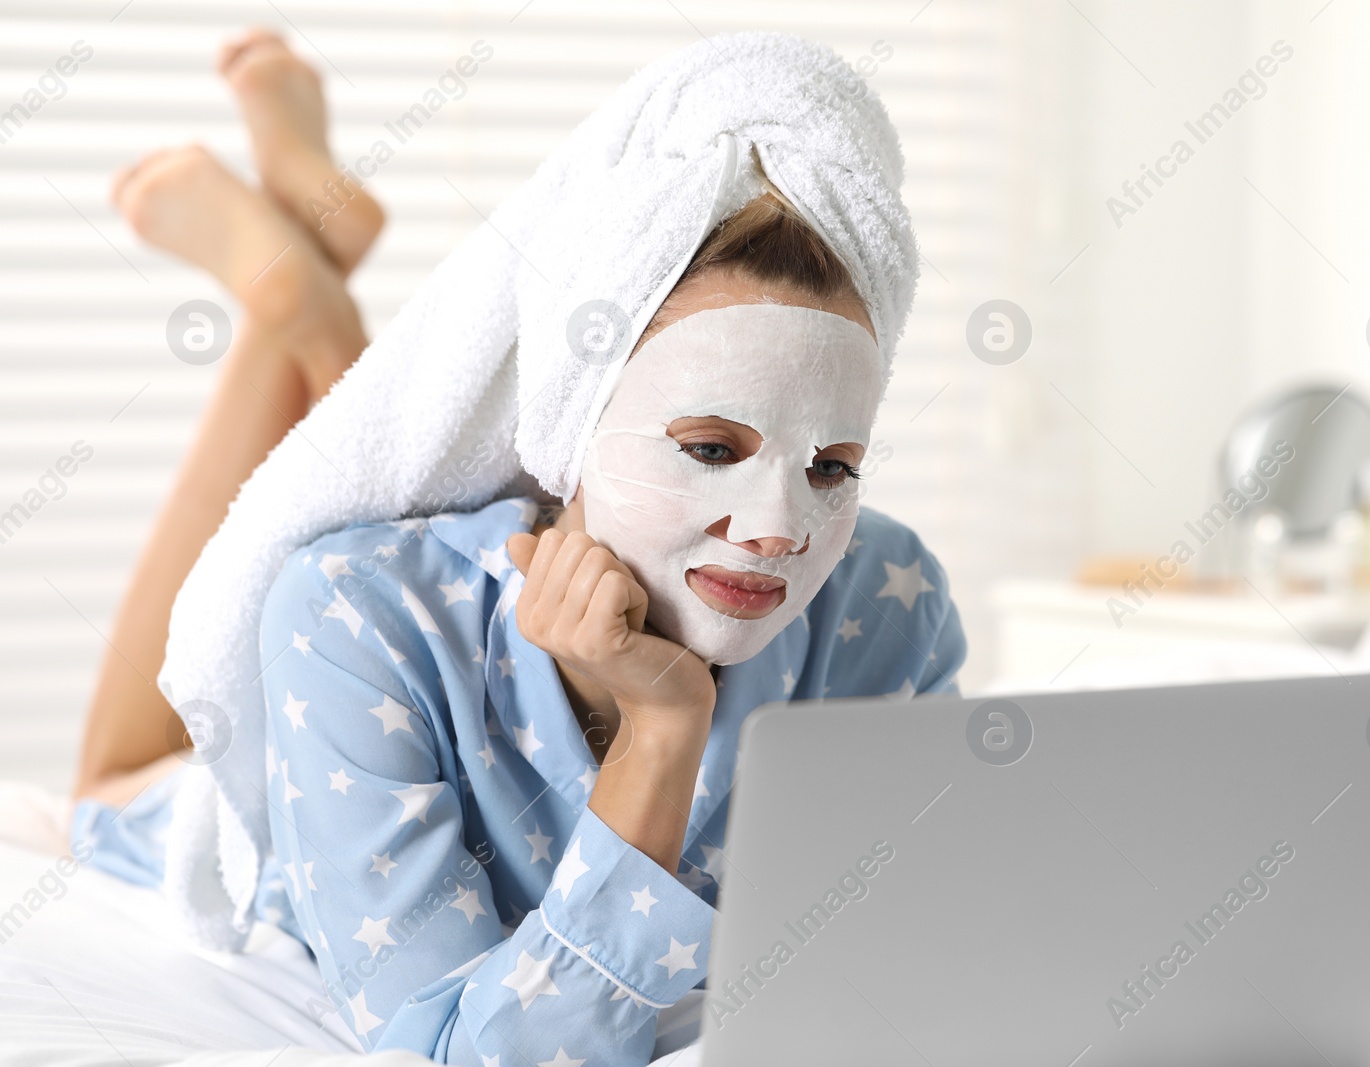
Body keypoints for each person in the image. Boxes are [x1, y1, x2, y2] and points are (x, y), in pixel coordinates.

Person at [70, 30, 965, 1067]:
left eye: (832, 467)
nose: (776, 526)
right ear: (573, 420)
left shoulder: (886, 605)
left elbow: (921, 958)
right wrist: (659, 732)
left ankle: (307, 289)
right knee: (118, 773)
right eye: (712, 448)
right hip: (297, 804)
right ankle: (291, 309)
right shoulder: (356, 612)